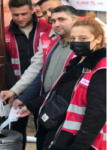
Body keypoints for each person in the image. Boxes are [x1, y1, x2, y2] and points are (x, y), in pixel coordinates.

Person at [19, 13, 106, 150]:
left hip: (77, 140)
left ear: (98, 39)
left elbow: (96, 115)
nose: (76, 41)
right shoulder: (76, 63)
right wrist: (31, 106)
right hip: (59, 132)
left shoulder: (101, 70)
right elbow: (58, 91)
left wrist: (78, 147)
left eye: (83, 38)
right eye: (73, 38)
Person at [4, 0, 51, 150]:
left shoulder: (48, 28)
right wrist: (15, 89)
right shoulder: (5, 33)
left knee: (43, 127)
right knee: (17, 128)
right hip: (17, 89)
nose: (20, 18)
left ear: (32, 10)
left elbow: (42, 62)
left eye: (24, 13)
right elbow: (7, 64)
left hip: (43, 88)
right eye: (15, 14)